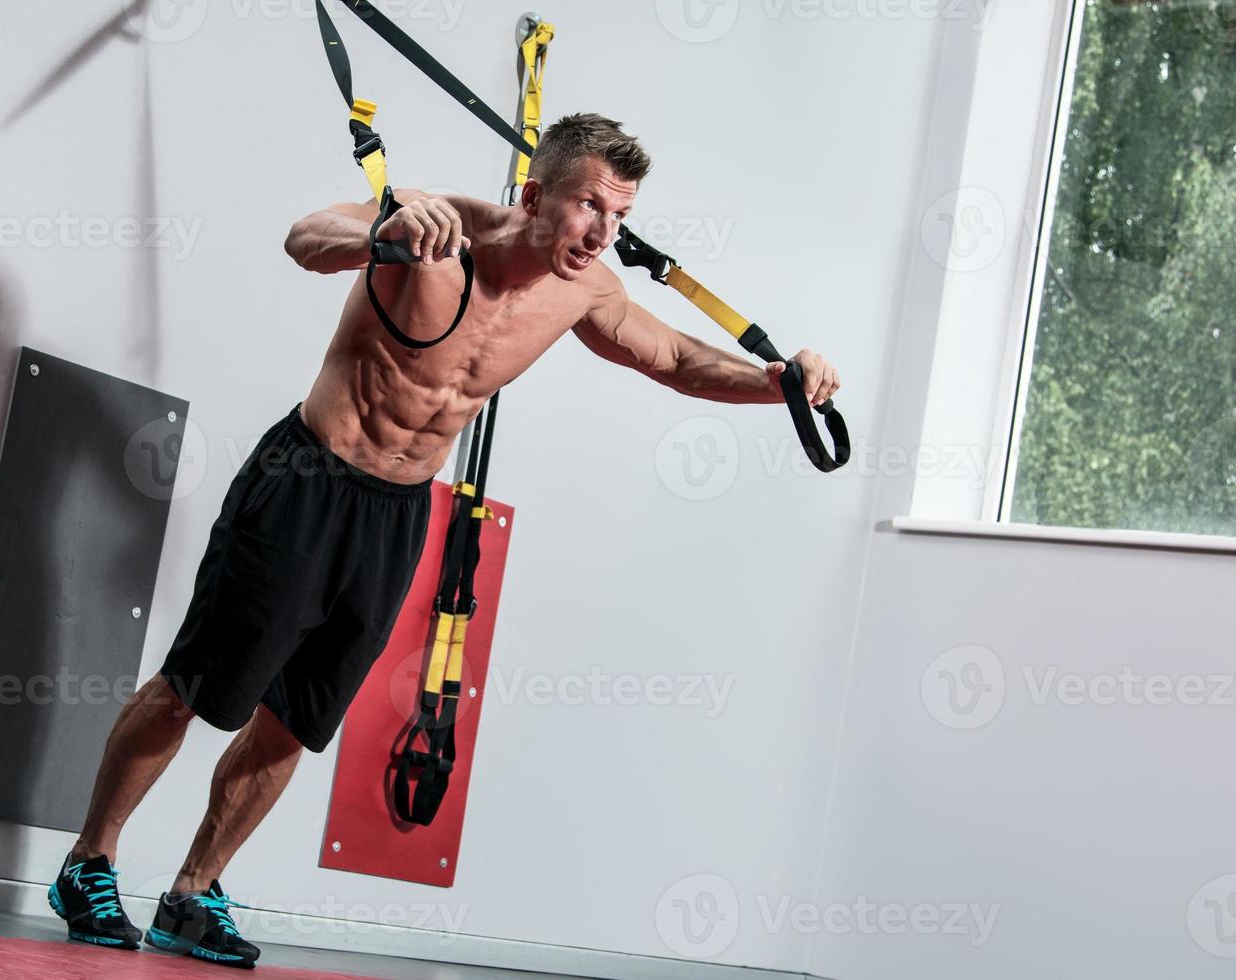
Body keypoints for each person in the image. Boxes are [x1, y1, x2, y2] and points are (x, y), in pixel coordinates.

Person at [47, 112, 843, 968]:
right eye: (588, 208)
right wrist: (383, 233)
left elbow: (678, 359)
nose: (604, 233)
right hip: (307, 482)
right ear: (534, 194)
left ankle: (192, 894)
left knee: (296, 721)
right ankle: (89, 861)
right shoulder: (437, 222)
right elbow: (304, 239)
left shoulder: (587, 289)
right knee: (194, 688)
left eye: (619, 216)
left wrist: (779, 388)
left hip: (398, 513)